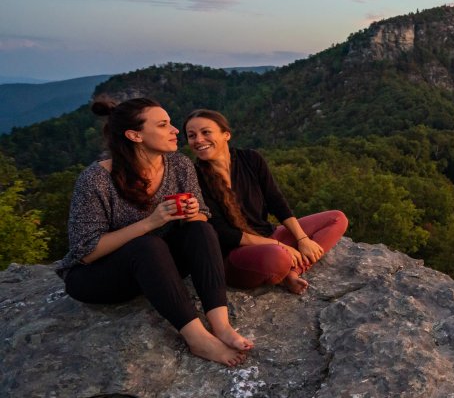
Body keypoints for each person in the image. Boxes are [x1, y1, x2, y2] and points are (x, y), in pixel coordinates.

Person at [56, 97, 252, 367]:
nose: (175, 131)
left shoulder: (179, 165)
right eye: (163, 125)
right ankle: (197, 339)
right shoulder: (96, 180)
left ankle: (220, 325)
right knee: (147, 245)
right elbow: (86, 252)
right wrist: (150, 222)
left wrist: (194, 211)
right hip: (98, 276)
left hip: (156, 269)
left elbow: (201, 216)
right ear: (135, 135)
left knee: (201, 230)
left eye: (171, 123)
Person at [184, 109, 347, 295]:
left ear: (226, 134)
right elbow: (222, 233)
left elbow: (275, 201)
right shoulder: (194, 178)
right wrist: (280, 246)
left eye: (206, 132)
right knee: (278, 257)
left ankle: (293, 272)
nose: (198, 140)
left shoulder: (251, 159)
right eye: (192, 136)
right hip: (236, 255)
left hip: (269, 234)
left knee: (337, 218)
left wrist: (302, 239)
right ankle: (284, 267)